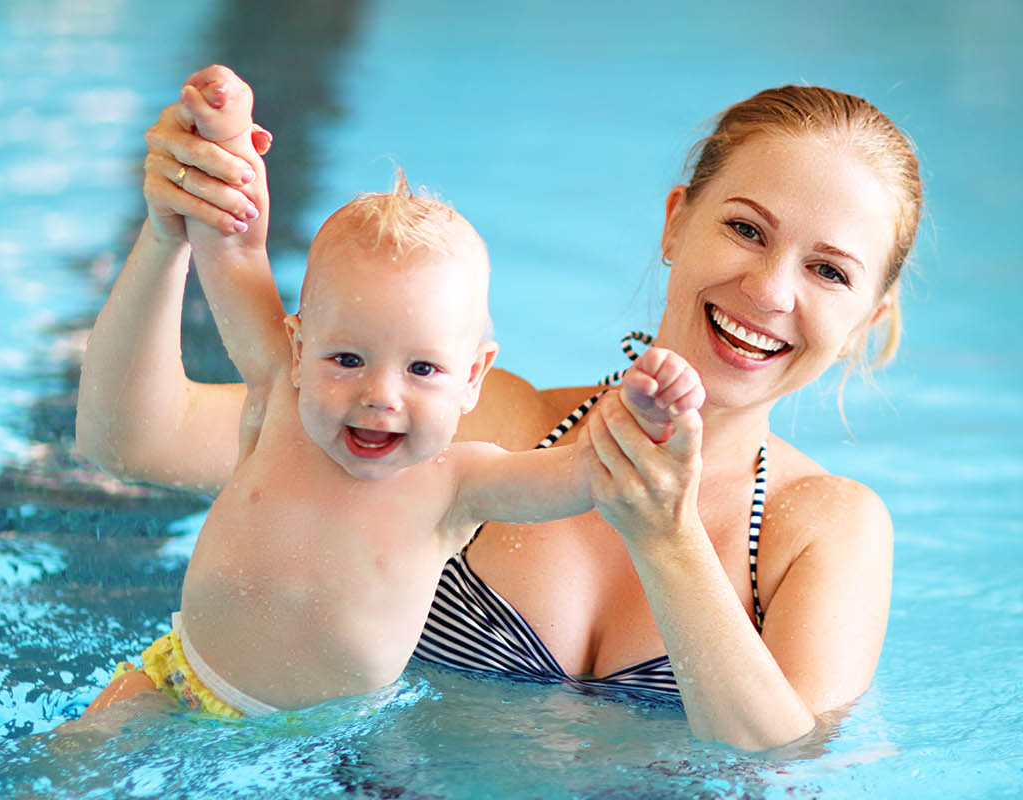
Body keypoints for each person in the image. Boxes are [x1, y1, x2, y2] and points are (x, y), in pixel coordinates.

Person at [76, 66, 918, 750]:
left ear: (864, 325)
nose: (769, 290)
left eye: (830, 272)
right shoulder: (464, 422)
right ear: (676, 224)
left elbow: (790, 769)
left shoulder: (824, 530)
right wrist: (165, 234)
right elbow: (135, 443)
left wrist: (665, 536)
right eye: (747, 229)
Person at [72, 76, 704, 721]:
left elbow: (584, 474)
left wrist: (647, 418)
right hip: (176, 684)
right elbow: (233, 242)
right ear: (297, 349)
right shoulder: (281, 402)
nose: (380, 396)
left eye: (423, 368)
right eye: (346, 360)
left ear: (473, 377)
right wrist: (224, 131)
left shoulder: (458, 484)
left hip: (318, 749)